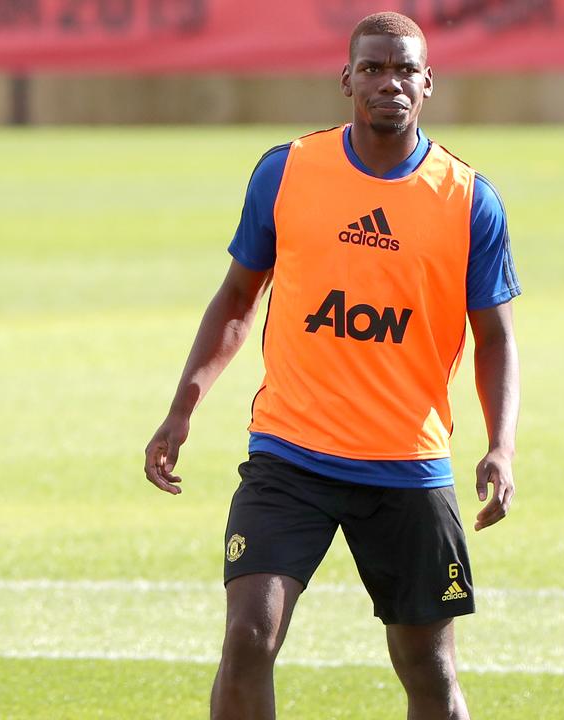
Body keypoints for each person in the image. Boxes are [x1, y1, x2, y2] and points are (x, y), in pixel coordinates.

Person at [143, 11, 520, 719]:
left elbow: (495, 338)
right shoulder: (287, 171)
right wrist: (182, 407)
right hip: (291, 456)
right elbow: (235, 298)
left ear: (428, 84)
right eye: (374, 68)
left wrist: (501, 446)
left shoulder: (469, 199)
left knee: (429, 670)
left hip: (406, 465)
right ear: (347, 78)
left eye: (405, 69)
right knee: (248, 638)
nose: (389, 83)